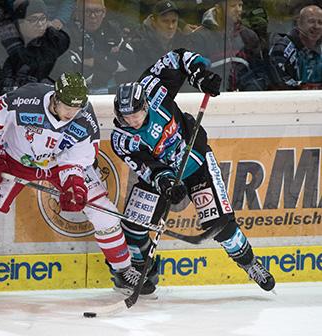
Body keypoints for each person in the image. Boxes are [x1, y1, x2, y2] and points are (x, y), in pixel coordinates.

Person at [0, 72, 154, 299]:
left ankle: (122, 271)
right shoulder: (28, 97)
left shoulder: (84, 117)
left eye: (77, 108)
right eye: (68, 108)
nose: (73, 113)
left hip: (57, 166)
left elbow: (77, 157)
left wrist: (74, 183)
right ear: (55, 98)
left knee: (106, 215)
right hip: (14, 161)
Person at [109, 48, 276, 293]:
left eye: (136, 115)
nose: (132, 121)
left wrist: (200, 76)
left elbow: (178, 57)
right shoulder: (122, 139)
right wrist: (165, 182)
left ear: (145, 104)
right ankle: (143, 271)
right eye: (125, 118)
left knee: (220, 224)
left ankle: (250, 263)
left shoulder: (153, 89)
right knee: (133, 226)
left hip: (194, 161)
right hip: (164, 176)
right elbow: (147, 167)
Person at [185, 0, 267, 91]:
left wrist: (251, 89)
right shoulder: (199, 37)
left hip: (244, 98)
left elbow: (259, 72)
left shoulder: (248, 36)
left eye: (240, 5)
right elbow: (193, 76)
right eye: (233, 6)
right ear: (218, 8)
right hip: (212, 98)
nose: (238, 9)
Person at [0, 0, 70, 92]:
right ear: (20, 23)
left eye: (42, 19)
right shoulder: (5, 43)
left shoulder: (56, 41)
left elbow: (64, 74)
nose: (40, 24)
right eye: (33, 20)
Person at [129, 0, 189, 77]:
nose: (171, 26)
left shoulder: (182, 40)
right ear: (154, 22)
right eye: (165, 21)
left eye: (174, 21)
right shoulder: (139, 43)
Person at [269, 4, 322, 89]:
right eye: (311, 21)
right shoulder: (281, 49)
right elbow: (279, 84)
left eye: (320, 23)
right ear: (299, 23)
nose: (316, 26)